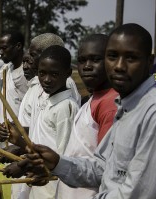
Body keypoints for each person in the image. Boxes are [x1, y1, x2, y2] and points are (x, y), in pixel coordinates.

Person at [19, 23, 156, 198]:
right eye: (112, 56)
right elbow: (103, 168)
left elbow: (139, 192)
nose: (118, 66)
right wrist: (58, 163)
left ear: (149, 61)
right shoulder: (125, 106)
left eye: (131, 58)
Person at [1, 45, 79, 199]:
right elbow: (41, 142)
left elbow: (62, 157)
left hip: (52, 185)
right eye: (42, 74)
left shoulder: (65, 107)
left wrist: (22, 160)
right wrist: (20, 149)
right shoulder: (48, 102)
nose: (47, 80)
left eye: (54, 74)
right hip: (39, 179)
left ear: (68, 73)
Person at [57, 34, 118, 199]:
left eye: (95, 59)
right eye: (82, 60)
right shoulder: (95, 98)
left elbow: (107, 168)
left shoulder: (110, 104)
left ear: (111, 61)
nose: (87, 66)